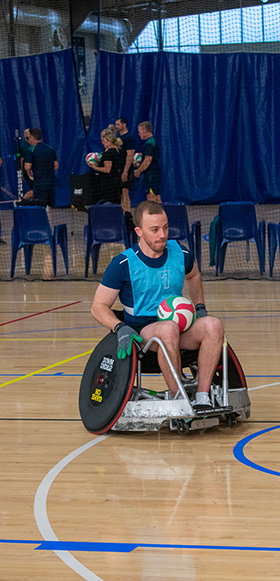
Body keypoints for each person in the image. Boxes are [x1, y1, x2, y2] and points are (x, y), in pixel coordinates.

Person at [90, 200, 222, 412]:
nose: (162, 234)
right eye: (154, 230)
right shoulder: (123, 264)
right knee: (168, 329)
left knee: (213, 325)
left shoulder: (180, 252)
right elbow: (98, 306)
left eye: (165, 227)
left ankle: (202, 397)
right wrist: (119, 327)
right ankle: (178, 399)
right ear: (139, 231)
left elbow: (194, 274)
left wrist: (200, 307)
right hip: (143, 333)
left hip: (179, 328)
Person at [88, 128, 125, 204]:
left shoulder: (108, 153)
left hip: (108, 183)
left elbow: (107, 169)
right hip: (117, 180)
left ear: (109, 141)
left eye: (104, 141)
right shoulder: (117, 150)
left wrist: (95, 167)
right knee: (116, 202)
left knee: (108, 203)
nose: (103, 143)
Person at [24, 128, 58, 209]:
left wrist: (29, 172)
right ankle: (50, 221)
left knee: (40, 206)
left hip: (39, 183)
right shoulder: (50, 148)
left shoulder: (31, 149)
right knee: (50, 206)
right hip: (51, 182)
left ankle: (41, 221)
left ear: (32, 137)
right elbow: (56, 166)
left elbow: (27, 166)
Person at [134, 121, 161, 203]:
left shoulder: (149, 143)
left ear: (144, 130)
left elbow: (147, 160)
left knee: (151, 197)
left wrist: (138, 170)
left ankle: (154, 215)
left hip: (151, 174)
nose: (139, 134)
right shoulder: (152, 141)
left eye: (139, 131)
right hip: (154, 172)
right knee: (157, 196)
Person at [115, 117, 136, 215]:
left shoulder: (129, 138)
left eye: (118, 124)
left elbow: (130, 154)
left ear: (124, 125)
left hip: (125, 170)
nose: (116, 126)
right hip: (117, 169)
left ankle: (127, 214)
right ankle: (122, 213)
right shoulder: (118, 138)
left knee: (125, 192)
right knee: (120, 193)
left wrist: (125, 171)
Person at [20, 129, 34, 201]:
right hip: (28, 173)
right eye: (27, 133)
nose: (29, 134)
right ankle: (22, 202)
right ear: (25, 135)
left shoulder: (34, 145)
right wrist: (22, 173)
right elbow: (21, 160)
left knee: (37, 189)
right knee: (36, 189)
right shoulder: (24, 146)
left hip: (36, 172)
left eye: (30, 132)